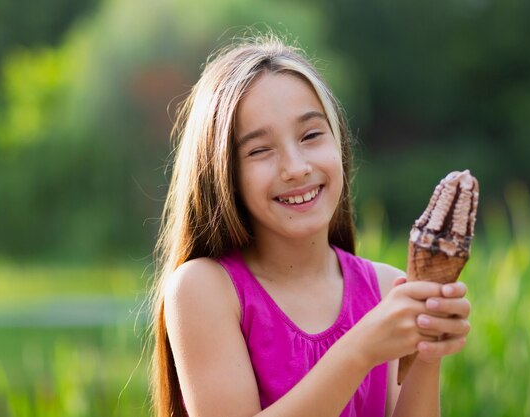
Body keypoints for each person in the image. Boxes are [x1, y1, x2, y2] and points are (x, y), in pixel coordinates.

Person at [149, 34, 471, 417]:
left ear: (339, 144)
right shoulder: (204, 289)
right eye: (259, 150)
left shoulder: (387, 290)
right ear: (223, 174)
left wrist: (427, 349)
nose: (296, 167)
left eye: (311, 135)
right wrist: (362, 348)